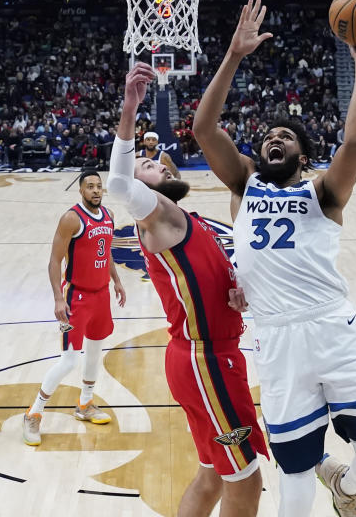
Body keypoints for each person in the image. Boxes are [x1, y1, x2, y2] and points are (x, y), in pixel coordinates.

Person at [193, 0, 356, 517]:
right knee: (295, 480)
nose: (273, 139)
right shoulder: (243, 184)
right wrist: (234, 57)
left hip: (333, 328)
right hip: (278, 337)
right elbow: (203, 129)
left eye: (285, 136)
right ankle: (324, 482)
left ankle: (348, 487)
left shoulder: (323, 193)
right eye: (266, 137)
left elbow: (354, 141)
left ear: (303, 157)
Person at [107, 62, 267, 517]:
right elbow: (119, 182)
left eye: (153, 159)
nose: (154, 161)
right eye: (146, 165)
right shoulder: (157, 213)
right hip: (204, 360)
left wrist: (238, 291)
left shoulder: (186, 220)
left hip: (206, 356)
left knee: (214, 475)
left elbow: (216, 279)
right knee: (246, 478)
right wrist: (129, 108)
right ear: (144, 188)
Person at [23, 170, 126, 446]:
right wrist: (58, 298)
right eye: (90, 186)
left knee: (94, 353)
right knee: (69, 360)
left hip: (101, 295)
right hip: (75, 298)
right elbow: (54, 261)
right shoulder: (71, 219)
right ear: (80, 190)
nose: (95, 190)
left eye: (98, 186)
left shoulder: (109, 215)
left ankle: (85, 404)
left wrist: (116, 280)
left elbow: (106, 252)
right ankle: (34, 413)